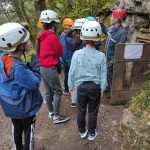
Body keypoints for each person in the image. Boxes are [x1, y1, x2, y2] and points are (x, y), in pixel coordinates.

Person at [0, 22, 42, 150]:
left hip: (11, 107)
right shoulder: (18, 67)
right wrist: (35, 67)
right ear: (22, 45)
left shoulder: (2, 60)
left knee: (17, 128)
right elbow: (34, 83)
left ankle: (18, 148)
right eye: (28, 40)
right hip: (25, 109)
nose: (30, 42)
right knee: (29, 131)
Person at [68, 21, 107, 140]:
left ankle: (82, 131)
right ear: (98, 38)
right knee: (93, 111)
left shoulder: (77, 54)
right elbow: (103, 74)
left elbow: (72, 71)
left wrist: (71, 86)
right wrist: (102, 89)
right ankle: (91, 133)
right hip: (95, 87)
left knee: (81, 110)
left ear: (82, 37)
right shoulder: (101, 55)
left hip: (81, 87)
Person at [35, 10, 70, 123]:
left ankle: (51, 112)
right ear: (53, 23)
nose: (57, 24)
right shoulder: (52, 37)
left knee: (47, 89)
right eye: (56, 22)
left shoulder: (40, 36)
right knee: (57, 91)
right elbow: (60, 52)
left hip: (42, 66)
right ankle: (56, 116)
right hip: (50, 67)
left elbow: (38, 52)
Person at [105, 8, 127, 98]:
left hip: (113, 59)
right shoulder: (111, 28)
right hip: (107, 57)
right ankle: (107, 88)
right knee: (107, 74)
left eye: (112, 17)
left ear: (117, 19)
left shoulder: (122, 33)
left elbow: (119, 50)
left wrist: (112, 61)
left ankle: (112, 92)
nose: (110, 18)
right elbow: (105, 31)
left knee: (112, 76)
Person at [65, 18, 87, 107]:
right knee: (82, 80)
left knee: (74, 81)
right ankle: (82, 98)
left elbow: (66, 34)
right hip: (83, 63)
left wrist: (73, 27)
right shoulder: (84, 41)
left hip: (73, 62)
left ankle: (73, 101)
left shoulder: (70, 40)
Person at [60, 18, 73, 95]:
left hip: (64, 60)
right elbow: (66, 51)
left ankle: (66, 88)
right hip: (68, 60)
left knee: (67, 75)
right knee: (69, 75)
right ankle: (68, 89)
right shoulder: (68, 37)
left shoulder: (62, 35)